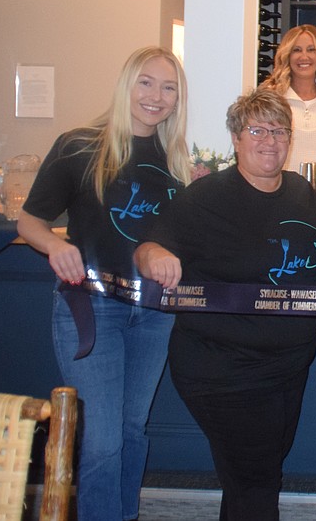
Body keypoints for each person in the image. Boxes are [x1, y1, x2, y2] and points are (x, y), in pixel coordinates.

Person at [17, 46, 191, 521]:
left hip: (153, 314)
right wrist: (55, 247)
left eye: (168, 87)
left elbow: (172, 237)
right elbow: (29, 222)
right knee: (102, 441)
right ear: (126, 86)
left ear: (178, 99)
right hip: (90, 310)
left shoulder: (176, 162)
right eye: (146, 83)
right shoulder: (79, 146)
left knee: (134, 430)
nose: (156, 96)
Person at [135, 89, 316, 521]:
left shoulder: (302, 193)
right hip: (223, 370)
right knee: (257, 481)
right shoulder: (206, 198)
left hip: (288, 367)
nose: (270, 140)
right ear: (236, 139)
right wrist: (156, 257)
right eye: (257, 130)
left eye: (279, 130)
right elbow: (149, 247)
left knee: (254, 476)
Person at [260, 23, 316, 172]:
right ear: (287, 55)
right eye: (296, 50)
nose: (304, 57)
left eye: (311, 50)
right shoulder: (270, 98)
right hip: (279, 189)